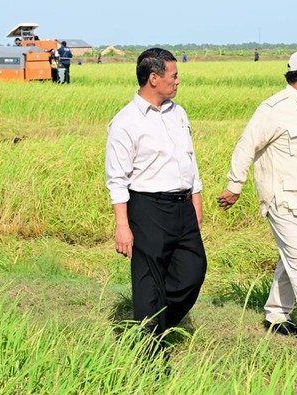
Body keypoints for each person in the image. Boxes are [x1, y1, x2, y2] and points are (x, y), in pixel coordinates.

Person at [216, 49, 297, 349]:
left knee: (292, 260)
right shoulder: (274, 109)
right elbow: (246, 146)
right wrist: (235, 185)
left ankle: (276, 315)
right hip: (283, 200)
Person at [105, 48, 207, 347]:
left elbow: (190, 161)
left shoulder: (179, 112)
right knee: (149, 280)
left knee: (192, 272)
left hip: (183, 206)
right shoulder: (125, 122)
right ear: (153, 78)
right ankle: (149, 350)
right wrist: (122, 226)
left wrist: (196, 202)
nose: (178, 81)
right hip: (147, 208)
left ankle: (157, 322)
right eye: (173, 76)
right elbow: (117, 179)